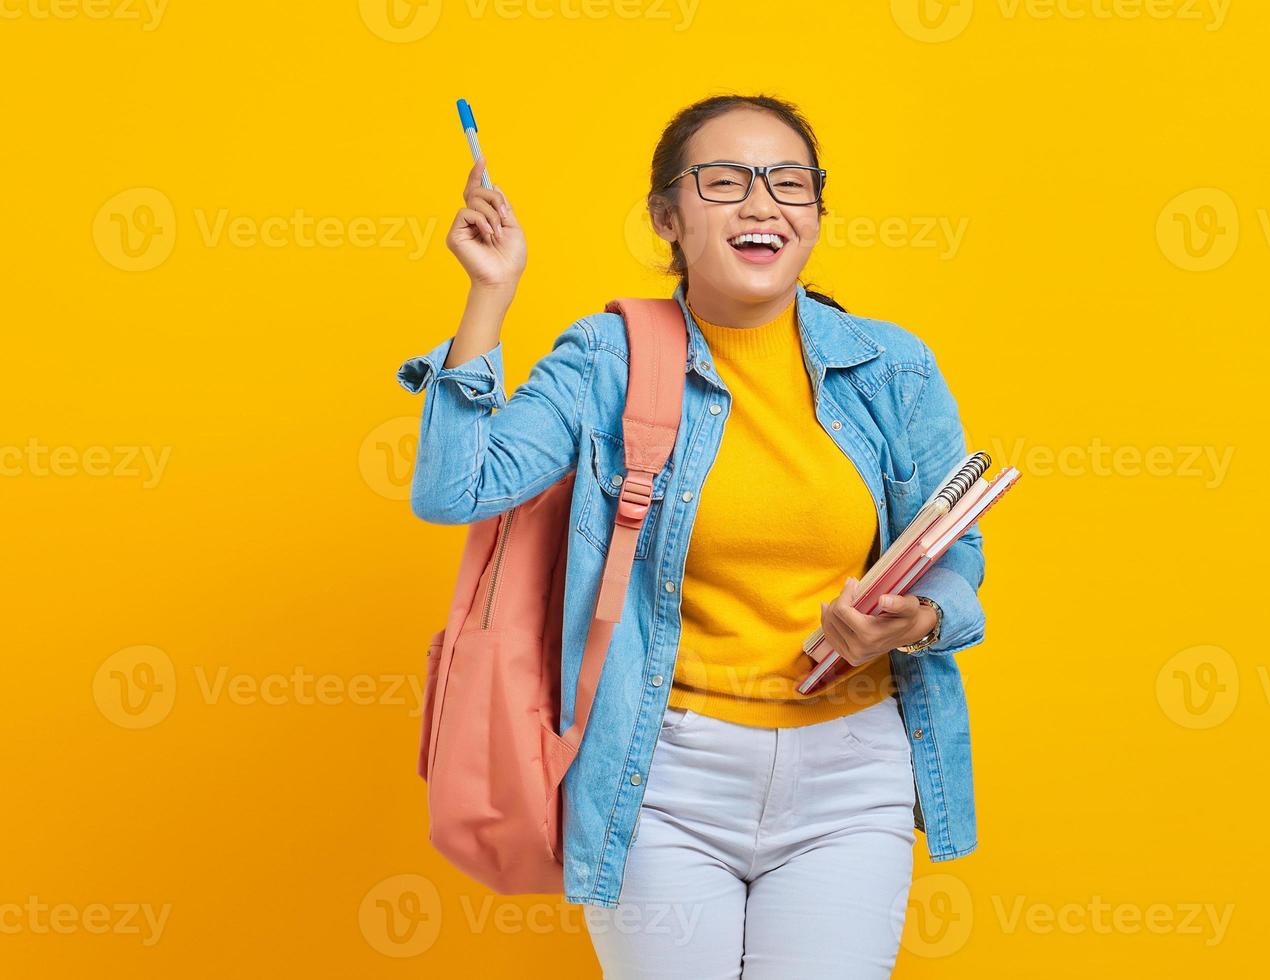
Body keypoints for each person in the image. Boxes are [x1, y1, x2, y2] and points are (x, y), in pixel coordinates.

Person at [397, 93, 987, 979]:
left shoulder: (889, 366)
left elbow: (956, 555)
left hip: (852, 772)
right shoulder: (608, 359)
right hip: (660, 775)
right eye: (725, 182)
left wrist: (920, 620)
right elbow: (457, 490)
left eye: (790, 182)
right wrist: (491, 294)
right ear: (667, 219)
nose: (762, 204)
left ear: (817, 213)